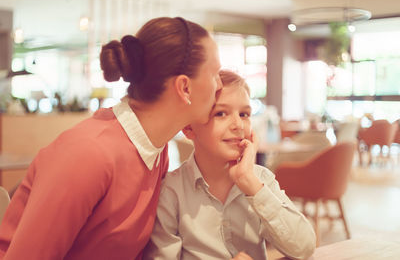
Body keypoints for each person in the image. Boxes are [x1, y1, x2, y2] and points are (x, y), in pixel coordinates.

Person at [0, 17, 222, 260]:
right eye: (214, 74)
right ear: (185, 88)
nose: (219, 85)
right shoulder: (88, 154)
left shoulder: (156, 151)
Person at [143, 70, 316, 260]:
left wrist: (251, 185)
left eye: (244, 114)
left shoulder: (260, 180)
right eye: (221, 113)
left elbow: (304, 247)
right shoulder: (171, 191)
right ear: (189, 127)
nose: (238, 125)